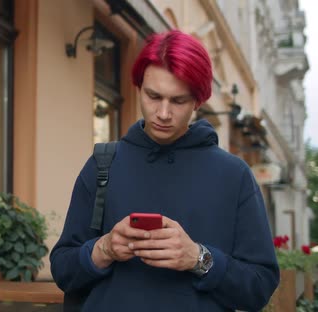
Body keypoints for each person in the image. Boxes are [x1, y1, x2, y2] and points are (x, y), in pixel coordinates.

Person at [50, 30, 279, 311]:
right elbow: (62, 269)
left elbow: (260, 287)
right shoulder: (103, 163)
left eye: (178, 100)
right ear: (138, 88)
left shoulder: (234, 174)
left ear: (198, 101)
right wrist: (105, 249)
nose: (163, 113)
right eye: (153, 96)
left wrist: (198, 258)